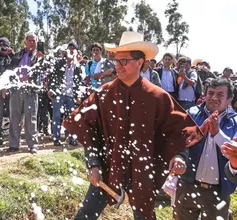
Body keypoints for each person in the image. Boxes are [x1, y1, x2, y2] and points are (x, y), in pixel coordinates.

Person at [63, 31, 203, 220]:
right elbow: (89, 129)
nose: (118, 66)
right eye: (116, 61)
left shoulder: (158, 96)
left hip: (143, 168)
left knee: (144, 216)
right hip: (108, 165)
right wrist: (94, 164)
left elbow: (177, 131)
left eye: (123, 61)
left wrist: (179, 156)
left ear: (140, 62)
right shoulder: (103, 94)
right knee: (86, 214)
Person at [174, 78, 237, 219]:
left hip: (218, 191)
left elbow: (234, 155)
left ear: (229, 100)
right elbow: (179, 142)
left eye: (220, 94)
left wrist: (217, 134)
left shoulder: (235, 122)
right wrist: (179, 157)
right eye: (210, 93)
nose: (214, 97)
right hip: (188, 185)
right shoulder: (191, 113)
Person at [7, 32, 44, 154]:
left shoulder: (39, 57)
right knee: (15, 117)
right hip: (16, 89)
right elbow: (10, 71)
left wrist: (41, 59)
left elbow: (43, 71)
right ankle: (13, 144)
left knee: (31, 118)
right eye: (30, 40)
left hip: (31, 90)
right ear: (25, 42)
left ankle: (33, 145)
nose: (32, 43)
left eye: (34, 41)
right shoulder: (17, 55)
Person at [48, 42, 84, 146]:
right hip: (59, 94)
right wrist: (50, 89)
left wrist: (79, 95)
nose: (72, 50)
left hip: (71, 95)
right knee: (56, 117)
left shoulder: (78, 66)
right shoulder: (59, 63)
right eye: (70, 48)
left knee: (71, 118)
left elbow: (80, 82)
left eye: (74, 48)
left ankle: (72, 138)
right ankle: (56, 138)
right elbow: (52, 76)